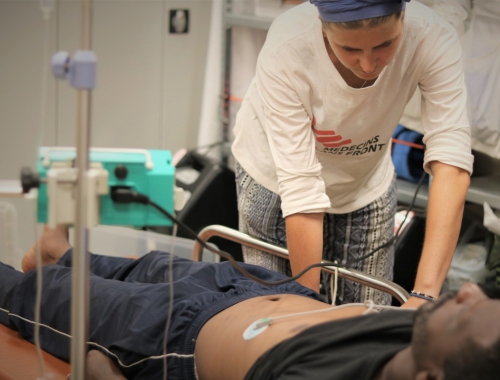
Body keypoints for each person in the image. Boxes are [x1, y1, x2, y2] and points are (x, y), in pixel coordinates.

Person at [1, 226, 499, 380]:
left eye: (470, 311)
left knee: (41, 296)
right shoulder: (426, 337)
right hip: (260, 288)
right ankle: (62, 255)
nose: (470, 291)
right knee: (146, 266)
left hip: (175, 334)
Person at [231, 0, 473, 307]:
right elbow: (300, 188)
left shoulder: (432, 37)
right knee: (278, 316)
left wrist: (424, 295)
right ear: (322, 26)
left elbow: (452, 162)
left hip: (364, 182)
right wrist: (306, 310)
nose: (369, 65)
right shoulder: (289, 46)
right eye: (349, 50)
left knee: (368, 323)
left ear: (404, 18)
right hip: (275, 180)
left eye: (386, 44)